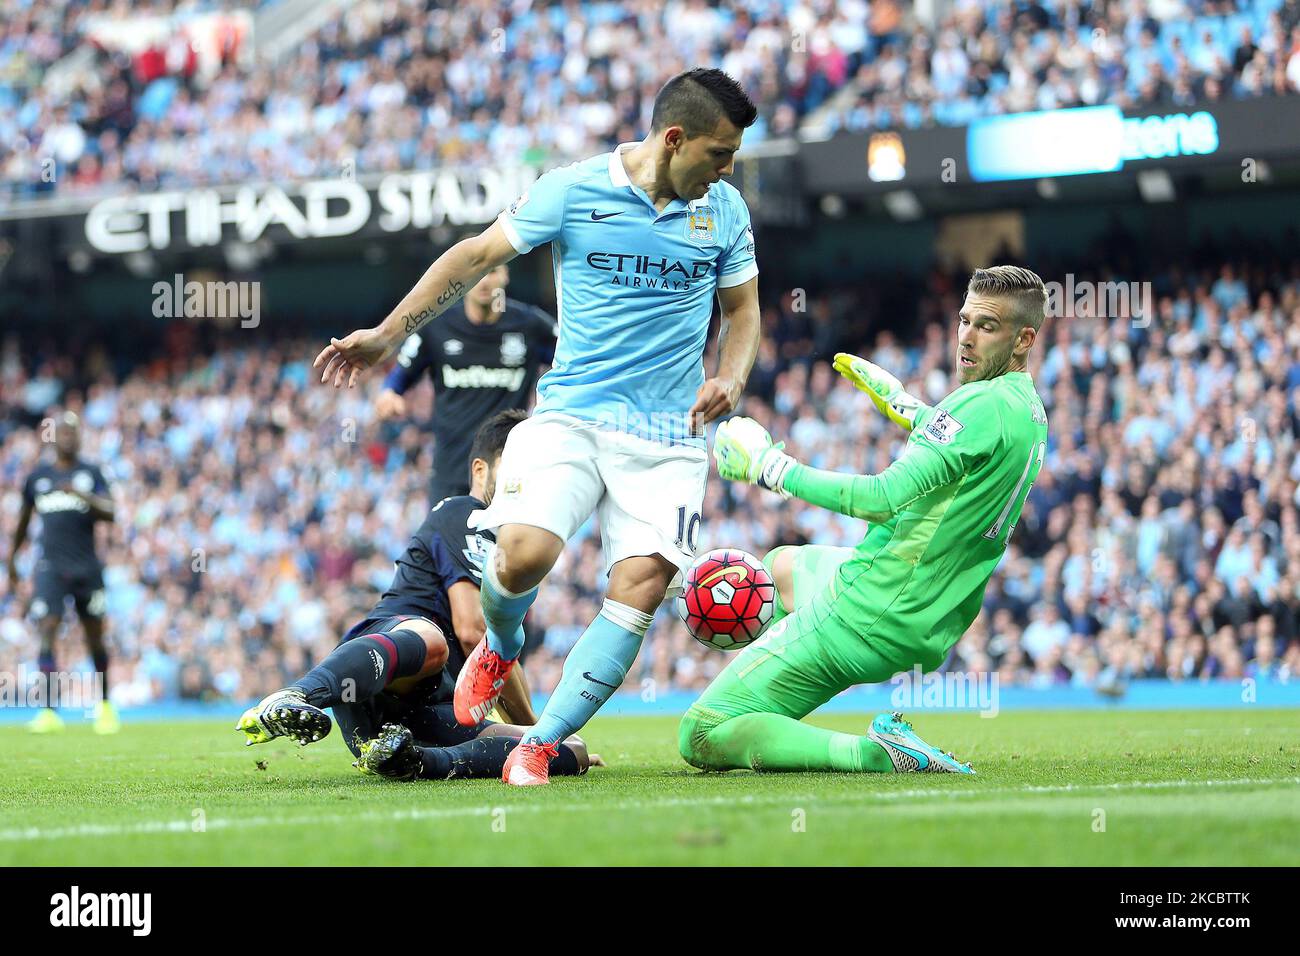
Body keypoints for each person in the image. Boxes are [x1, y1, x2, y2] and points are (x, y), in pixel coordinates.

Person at [313, 68, 763, 785]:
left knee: (641, 587)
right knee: (520, 557)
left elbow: (742, 314)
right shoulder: (573, 188)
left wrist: (732, 378)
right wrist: (390, 334)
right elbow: (474, 256)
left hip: (670, 437)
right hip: (573, 414)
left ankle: (540, 740)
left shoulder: (726, 211)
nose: (727, 169)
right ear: (674, 139)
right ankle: (500, 641)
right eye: (719, 153)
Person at [681, 265, 1051, 774]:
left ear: (1023, 339)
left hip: (868, 610)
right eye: (964, 320)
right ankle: (770, 663)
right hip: (926, 613)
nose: (966, 337)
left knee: (701, 732)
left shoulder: (980, 405)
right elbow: (966, 443)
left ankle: (871, 753)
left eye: (986, 327)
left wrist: (772, 468)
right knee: (783, 566)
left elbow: (883, 498)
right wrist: (902, 402)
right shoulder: (1025, 408)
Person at [236, 412, 596, 781]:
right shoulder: (466, 514)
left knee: (573, 752)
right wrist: (536, 729)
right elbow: (474, 632)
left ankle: (414, 760)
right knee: (434, 642)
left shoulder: (512, 542)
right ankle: (297, 696)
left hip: (423, 712)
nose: (524, 479)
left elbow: (497, 652)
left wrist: (541, 738)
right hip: (382, 676)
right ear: (480, 470)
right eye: (514, 466)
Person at [374, 263, 556, 504]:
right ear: (462, 278)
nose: (483, 281)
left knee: (513, 543)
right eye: (476, 273)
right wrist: (388, 394)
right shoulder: (437, 326)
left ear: (505, 275)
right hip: (451, 473)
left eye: (491, 272)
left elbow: (571, 356)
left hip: (510, 472)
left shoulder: (530, 325)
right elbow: (399, 378)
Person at [9, 411, 119, 734]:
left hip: (87, 566)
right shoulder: (38, 477)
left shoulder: (91, 472)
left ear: (80, 438)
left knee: (94, 635)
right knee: (47, 629)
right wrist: (13, 561)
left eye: (73, 432)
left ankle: (106, 706)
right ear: (53, 438)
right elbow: (23, 522)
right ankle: (47, 710)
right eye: (63, 432)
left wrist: (81, 494)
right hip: (50, 567)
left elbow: (112, 512)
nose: (68, 437)